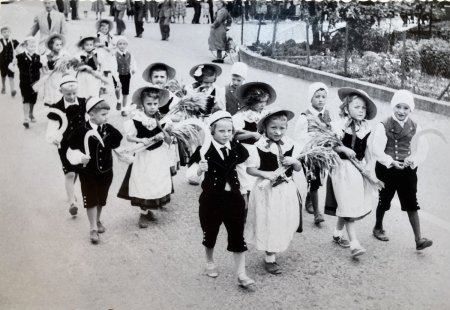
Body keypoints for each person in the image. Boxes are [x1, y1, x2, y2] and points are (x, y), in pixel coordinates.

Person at [186, 110, 256, 290]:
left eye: (229, 131)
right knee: (210, 232)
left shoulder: (236, 148)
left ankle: (241, 273)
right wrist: (200, 170)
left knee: (237, 235)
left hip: (234, 198)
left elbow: (243, 171)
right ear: (212, 131)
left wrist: (244, 193)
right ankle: (209, 261)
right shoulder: (203, 150)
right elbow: (190, 174)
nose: (226, 135)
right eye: (221, 131)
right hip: (211, 200)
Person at [372, 89, 433, 251]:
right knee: (384, 199)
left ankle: (419, 239)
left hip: (406, 169)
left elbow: (422, 148)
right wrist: (390, 162)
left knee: (411, 202)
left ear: (411, 109)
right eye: (398, 107)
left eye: (406, 108)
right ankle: (378, 227)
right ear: (393, 107)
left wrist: (412, 160)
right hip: (388, 169)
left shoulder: (415, 127)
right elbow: (376, 149)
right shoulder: (383, 125)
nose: (401, 111)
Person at [245, 108, 302, 275]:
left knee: (283, 219)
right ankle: (270, 256)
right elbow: (250, 169)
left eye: (282, 128)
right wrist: (265, 173)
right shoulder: (258, 147)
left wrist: (294, 161)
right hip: (267, 191)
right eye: (273, 128)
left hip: (285, 189)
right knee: (269, 220)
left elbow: (298, 168)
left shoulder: (290, 144)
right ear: (264, 128)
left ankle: (277, 245)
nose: (278, 132)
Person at [324, 88, 378, 258]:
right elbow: (330, 145)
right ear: (347, 108)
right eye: (357, 107)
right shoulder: (339, 126)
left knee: (349, 203)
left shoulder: (366, 127)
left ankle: (337, 234)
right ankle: (354, 244)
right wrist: (343, 148)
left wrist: (369, 164)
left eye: (363, 108)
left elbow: (368, 148)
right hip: (343, 169)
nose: (361, 110)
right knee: (348, 204)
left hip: (358, 169)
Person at [67, 96, 123, 244]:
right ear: (91, 114)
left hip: (106, 172)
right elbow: (70, 151)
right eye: (103, 115)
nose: (106, 118)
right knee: (91, 199)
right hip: (88, 173)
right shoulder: (81, 131)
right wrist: (80, 158)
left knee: (101, 199)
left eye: (107, 114)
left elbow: (117, 143)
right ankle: (92, 228)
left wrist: (124, 154)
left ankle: (97, 220)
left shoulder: (108, 129)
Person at [117, 86, 173, 228]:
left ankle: (150, 209)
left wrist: (164, 134)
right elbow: (129, 137)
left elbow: (169, 138)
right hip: (143, 155)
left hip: (158, 155)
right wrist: (141, 140)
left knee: (156, 179)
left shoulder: (162, 118)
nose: (152, 107)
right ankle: (143, 212)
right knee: (143, 181)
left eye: (155, 104)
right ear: (142, 104)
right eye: (149, 104)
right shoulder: (137, 119)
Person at [46, 75, 87, 216]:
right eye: (68, 94)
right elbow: (52, 128)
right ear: (61, 92)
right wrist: (53, 138)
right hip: (65, 145)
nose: (72, 96)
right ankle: (72, 203)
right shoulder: (56, 109)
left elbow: (89, 120)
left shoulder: (84, 103)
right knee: (69, 173)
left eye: (74, 93)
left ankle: (71, 191)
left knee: (76, 171)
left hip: (81, 144)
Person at [294, 82, 330, 225]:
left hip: (322, 153)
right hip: (308, 154)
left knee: (318, 180)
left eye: (323, 97)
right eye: (317, 97)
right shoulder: (305, 116)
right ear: (311, 98)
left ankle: (310, 198)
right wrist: (311, 139)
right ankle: (317, 213)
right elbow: (298, 135)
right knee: (313, 181)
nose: (321, 100)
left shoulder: (326, 114)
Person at [233, 82, 275, 203]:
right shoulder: (241, 116)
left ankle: (253, 206)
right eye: (260, 102)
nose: (263, 105)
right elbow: (234, 135)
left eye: (265, 102)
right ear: (251, 101)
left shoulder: (264, 115)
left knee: (255, 181)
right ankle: (242, 207)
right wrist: (251, 134)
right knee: (244, 181)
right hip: (244, 151)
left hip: (259, 151)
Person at [15, 37, 42, 129]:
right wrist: (13, 63)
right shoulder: (20, 56)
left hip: (35, 83)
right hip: (24, 82)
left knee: (33, 100)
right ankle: (25, 118)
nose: (33, 47)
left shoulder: (37, 57)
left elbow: (41, 67)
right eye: (31, 46)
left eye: (34, 46)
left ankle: (31, 113)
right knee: (25, 99)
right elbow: (13, 66)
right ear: (26, 46)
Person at [37, 33, 70, 107]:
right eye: (57, 45)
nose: (59, 47)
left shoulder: (64, 55)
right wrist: (47, 71)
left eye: (60, 45)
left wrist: (65, 65)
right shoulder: (46, 56)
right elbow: (43, 69)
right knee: (51, 95)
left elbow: (67, 68)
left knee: (59, 94)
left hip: (60, 77)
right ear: (51, 46)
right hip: (50, 79)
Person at [95, 19, 121, 97]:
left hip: (108, 55)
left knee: (106, 70)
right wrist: (101, 45)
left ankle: (104, 86)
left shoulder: (110, 36)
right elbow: (95, 44)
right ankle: (100, 86)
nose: (104, 30)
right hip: (100, 54)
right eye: (102, 29)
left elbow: (114, 43)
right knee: (101, 69)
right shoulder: (98, 35)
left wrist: (112, 47)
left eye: (106, 29)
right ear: (99, 28)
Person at [115, 36, 136, 116]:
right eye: (120, 44)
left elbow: (133, 62)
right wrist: (115, 76)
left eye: (124, 44)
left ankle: (123, 109)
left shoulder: (129, 54)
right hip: (118, 75)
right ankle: (118, 100)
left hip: (127, 75)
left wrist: (134, 69)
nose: (122, 46)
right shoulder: (115, 55)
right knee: (117, 89)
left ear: (127, 45)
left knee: (125, 93)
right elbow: (113, 66)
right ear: (117, 45)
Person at [0, 26, 19, 97]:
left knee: (11, 76)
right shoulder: (0, 41)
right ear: (1, 33)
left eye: (8, 32)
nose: (6, 33)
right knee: (3, 75)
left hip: (11, 63)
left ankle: (12, 90)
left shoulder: (13, 42)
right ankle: (3, 87)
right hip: (2, 62)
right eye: (4, 32)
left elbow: (20, 49)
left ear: (10, 33)